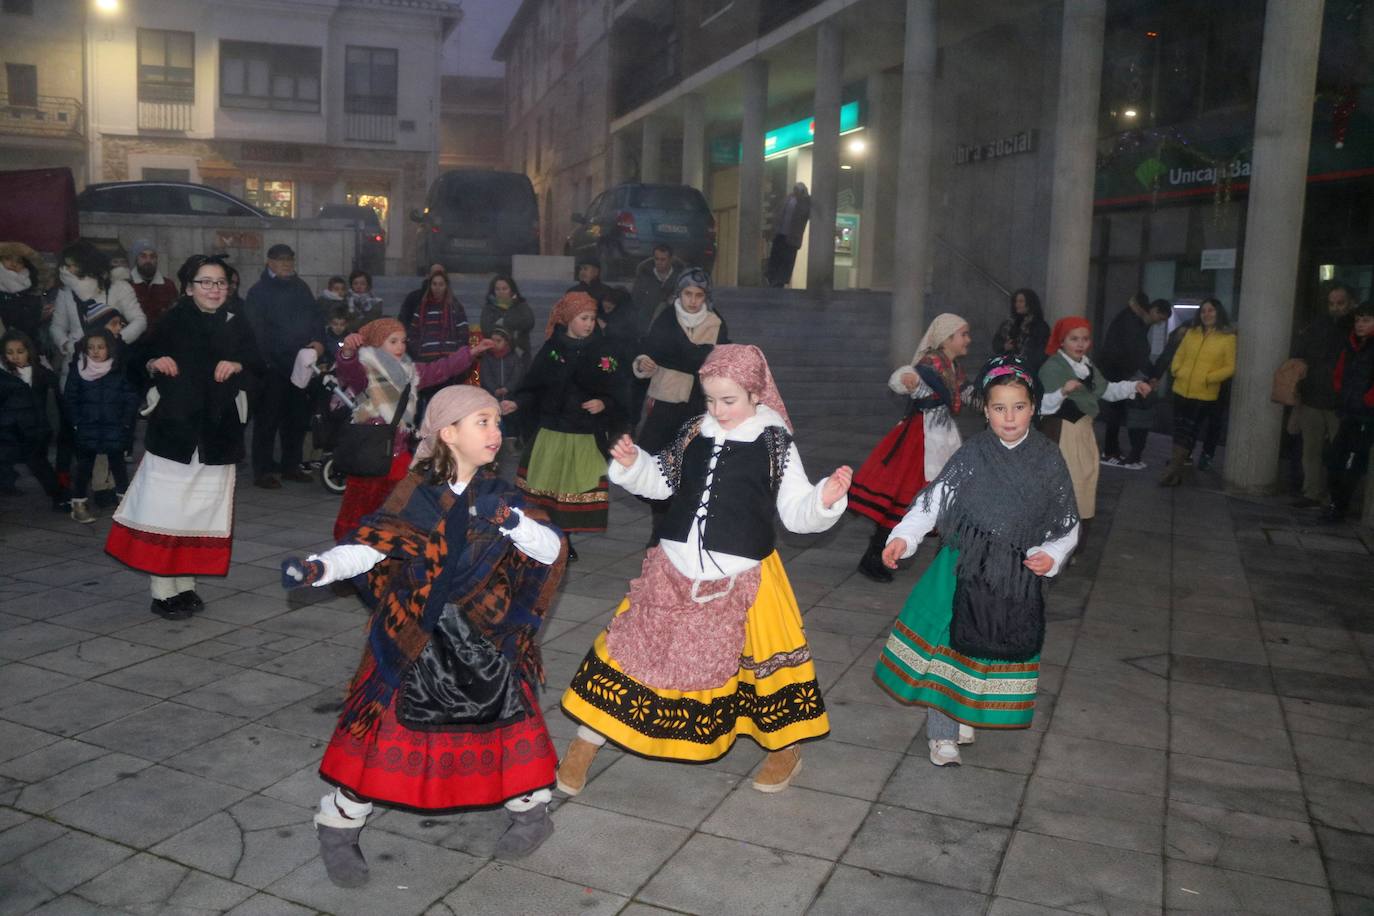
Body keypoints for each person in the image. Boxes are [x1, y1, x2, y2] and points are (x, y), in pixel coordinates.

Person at [283, 386, 568, 886]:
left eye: (497, 423)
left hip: (487, 634)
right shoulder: (413, 494)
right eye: (482, 422)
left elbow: (549, 551)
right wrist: (318, 568)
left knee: (508, 727)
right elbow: (370, 547)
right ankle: (337, 826)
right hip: (414, 633)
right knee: (378, 735)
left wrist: (512, 522)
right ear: (448, 432)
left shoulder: (502, 495)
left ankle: (532, 814)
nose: (495, 433)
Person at [557, 344, 852, 796]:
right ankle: (586, 743)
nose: (718, 409)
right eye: (710, 399)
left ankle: (785, 747)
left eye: (728, 400)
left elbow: (796, 512)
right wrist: (635, 465)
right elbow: (663, 481)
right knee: (632, 652)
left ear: (756, 393)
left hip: (744, 576)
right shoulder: (695, 429)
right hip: (673, 570)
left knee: (766, 669)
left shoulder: (775, 442)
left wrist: (824, 500)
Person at [875, 356, 1079, 767]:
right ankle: (943, 732)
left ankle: (965, 708)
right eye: (999, 407)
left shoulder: (1048, 460)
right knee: (948, 644)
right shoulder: (972, 456)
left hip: (1013, 573)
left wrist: (1052, 554)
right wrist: (903, 537)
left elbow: (1066, 521)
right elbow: (934, 501)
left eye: (1018, 407)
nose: (1009, 417)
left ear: (1033, 408)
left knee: (987, 646)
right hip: (962, 564)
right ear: (985, 410)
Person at [106, 255, 263, 620]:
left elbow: (259, 368)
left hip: (218, 435)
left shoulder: (238, 322)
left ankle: (186, 584)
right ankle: (163, 590)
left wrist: (239, 366)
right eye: (206, 282)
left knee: (200, 514)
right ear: (189, 287)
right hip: (176, 432)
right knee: (167, 511)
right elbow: (134, 361)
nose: (214, 289)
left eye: (221, 282)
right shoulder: (172, 320)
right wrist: (152, 363)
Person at [328, 317, 492, 541]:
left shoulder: (410, 372)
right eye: (393, 341)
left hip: (398, 455)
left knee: (399, 507)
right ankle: (350, 550)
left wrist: (470, 354)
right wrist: (347, 351)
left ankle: (390, 549)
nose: (400, 347)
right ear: (377, 343)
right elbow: (348, 371)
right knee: (360, 507)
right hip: (369, 453)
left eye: (403, 341)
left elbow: (441, 369)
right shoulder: (365, 371)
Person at [849, 314, 973, 583]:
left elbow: (965, 395)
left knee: (946, 498)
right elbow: (904, 377)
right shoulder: (931, 364)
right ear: (947, 337)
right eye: (963, 334)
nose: (968, 340)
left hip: (944, 439)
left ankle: (946, 565)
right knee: (904, 498)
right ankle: (875, 557)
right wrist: (907, 380)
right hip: (920, 440)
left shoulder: (954, 369)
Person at [508, 292, 625, 557]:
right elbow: (534, 385)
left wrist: (604, 402)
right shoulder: (552, 349)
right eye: (583, 318)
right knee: (549, 489)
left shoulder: (603, 351)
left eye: (592, 318)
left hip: (584, 433)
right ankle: (549, 539)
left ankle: (565, 540)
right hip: (553, 431)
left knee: (573, 489)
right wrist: (517, 402)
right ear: (569, 319)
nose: (589, 323)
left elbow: (618, 388)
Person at [631, 269, 728, 537]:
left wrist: (675, 354)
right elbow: (650, 350)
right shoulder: (666, 317)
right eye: (688, 294)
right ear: (679, 293)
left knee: (692, 468)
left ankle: (683, 528)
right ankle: (659, 528)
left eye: (699, 295)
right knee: (655, 463)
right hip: (665, 403)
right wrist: (645, 362)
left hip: (699, 406)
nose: (693, 301)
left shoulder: (716, 322)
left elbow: (712, 359)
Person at [1038, 317, 1151, 520]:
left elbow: (1106, 390)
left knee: (1084, 482)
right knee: (1066, 484)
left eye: (1085, 339)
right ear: (1062, 341)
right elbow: (1041, 405)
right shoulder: (1053, 367)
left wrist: (1133, 386)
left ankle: (1072, 538)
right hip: (1061, 432)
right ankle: (1056, 538)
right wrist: (1063, 392)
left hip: (1083, 431)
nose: (1081, 344)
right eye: (1074, 339)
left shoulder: (1086, 366)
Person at [244, 243, 324, 489]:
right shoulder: (259, 292)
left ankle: (291, 465)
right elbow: (255, 330)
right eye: (281, 260)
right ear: (269, 262)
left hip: (299, 365)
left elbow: (315, 318)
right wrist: (265, 361)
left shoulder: (301, 288)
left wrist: (318, 343)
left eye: (289, 259)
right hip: (271, 366)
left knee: (297, 419)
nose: (286, 264)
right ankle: (263, 469)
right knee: (268, 419)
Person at [63, 328, 139, 524]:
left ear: (109, 349)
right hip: (87, 426)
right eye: (91, 348)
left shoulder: (117, 370)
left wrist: (125, 421)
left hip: (114, 426)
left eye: (100, 347)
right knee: (84, 468)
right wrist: (77, 422)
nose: (95, 352)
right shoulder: (79, 370)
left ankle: (125, 502)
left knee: (118, 466)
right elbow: (70, 398)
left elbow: (130, 397)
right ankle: (78, 504)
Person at [1291, 283, 1357, 508]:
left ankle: (1334, 496)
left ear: (1350, 304)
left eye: (1340, 303)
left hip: (1339, 400)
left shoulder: (1355, 329)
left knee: (1337, 453)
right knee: (1311, 450)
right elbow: (1303, 352)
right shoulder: (1319, 325)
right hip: (1314, 396)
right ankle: (1312, 492)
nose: (1336, 308)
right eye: (1332, 303)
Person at [1159, 298, 1237, 486]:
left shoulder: (1228, 338)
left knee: (1189, 432)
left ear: (1218, 313)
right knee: (1178, 431)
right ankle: (1176, 472)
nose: (1207, 314)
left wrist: (1209, 378)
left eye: (1211, 311)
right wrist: (1177, 370)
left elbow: (1230, 367)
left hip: (1204, 393)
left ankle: (1172, 469)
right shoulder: (1191, 333)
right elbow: (1179, 355)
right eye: (1203, 311)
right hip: (1181, 388)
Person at [50, 240, 147, 378]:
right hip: (77, 366)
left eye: (72, 264)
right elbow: (57, 326)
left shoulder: (118, 287)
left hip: (112, 367)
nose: (67, 269)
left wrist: (116, 341)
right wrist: (66, 345)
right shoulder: (66, 292)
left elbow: (139, 320)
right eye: (66, 265)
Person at [1097, 292, 1171, 469]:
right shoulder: (1132, 321)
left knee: (1116, 412)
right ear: (1152, 310)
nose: (1159, 323)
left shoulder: (1134, 320)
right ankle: (1110, 451)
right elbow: (1136, 352)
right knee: (1114, 412)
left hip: (1118, 372)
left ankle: (1111, 450)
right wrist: (1149, 374)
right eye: (1160, 318)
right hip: (1117, 373)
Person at [0, 329, 65, 506]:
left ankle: (58, 497)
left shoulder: (40, 373)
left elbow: (52, 392)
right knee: (5, 460)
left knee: (39, 464)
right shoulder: (3, 377)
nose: (15, 357)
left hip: (35, 430)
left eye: (20, 352)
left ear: (29, 351)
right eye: (9, 352)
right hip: (8, 431)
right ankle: (6, 485)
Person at [1323, 301, 1374, 523]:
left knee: (1351, 465)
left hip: (1365, 415)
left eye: (1366, 320)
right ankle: (1336, 504)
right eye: (1357, 320)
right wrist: (1341, 394)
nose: (1360, 325)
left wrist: (1366, 400)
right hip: (1348, 411)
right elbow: (1339, 373)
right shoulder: (1352, 345)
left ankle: (1339, 508)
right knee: (1334, 459)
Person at [991, 288, 1051, 374]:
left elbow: (1042, 352)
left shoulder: (1040, 326)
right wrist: (1004, 346)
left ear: (1030, 303)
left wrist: (1024, 365)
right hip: (1005, 369)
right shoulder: (1008, 324)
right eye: (1016, 301)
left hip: (1028, 371)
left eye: (1021, 301)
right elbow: (996, 343)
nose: (1017, 304)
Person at [0, 242, 49, 340]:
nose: (13, 264)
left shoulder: (32, 290)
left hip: (26, 342)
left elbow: (33, 322)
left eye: (19, 261)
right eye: (8, 259)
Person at [766, 182, 811, 288]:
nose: (796, 191)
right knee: (776, 256)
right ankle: (772, 277)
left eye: (798, 189)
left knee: (787, 259)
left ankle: (780, 280)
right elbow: (778, 212)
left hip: (792, 237)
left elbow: (805, 214)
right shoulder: (788, 199)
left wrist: (805, 198)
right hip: (780, 234)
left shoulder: (804, 203)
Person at [480, 274, 535, 358]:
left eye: (504, 289)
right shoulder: (488, 308)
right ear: (493, 291)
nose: (501, 292)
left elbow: (529, 322)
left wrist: (504, 321)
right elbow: (486, 330)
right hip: (495, 355)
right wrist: (513, 325)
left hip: (520, 355)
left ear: (511, 290)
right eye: (497, 289)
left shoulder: (521, 305)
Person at [630, 244, 684, 328]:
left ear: (670, 260)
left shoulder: (680, 278)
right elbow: (635, 300)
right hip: (643, 324)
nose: (659, 262)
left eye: (663, 259)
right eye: (656, 259)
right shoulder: (644, 275)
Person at [128, 239, 179, 328]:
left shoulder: (168, 286)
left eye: (152, 256)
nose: (148, 260)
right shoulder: (127, 285)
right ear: (136, 259)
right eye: (143, 256)